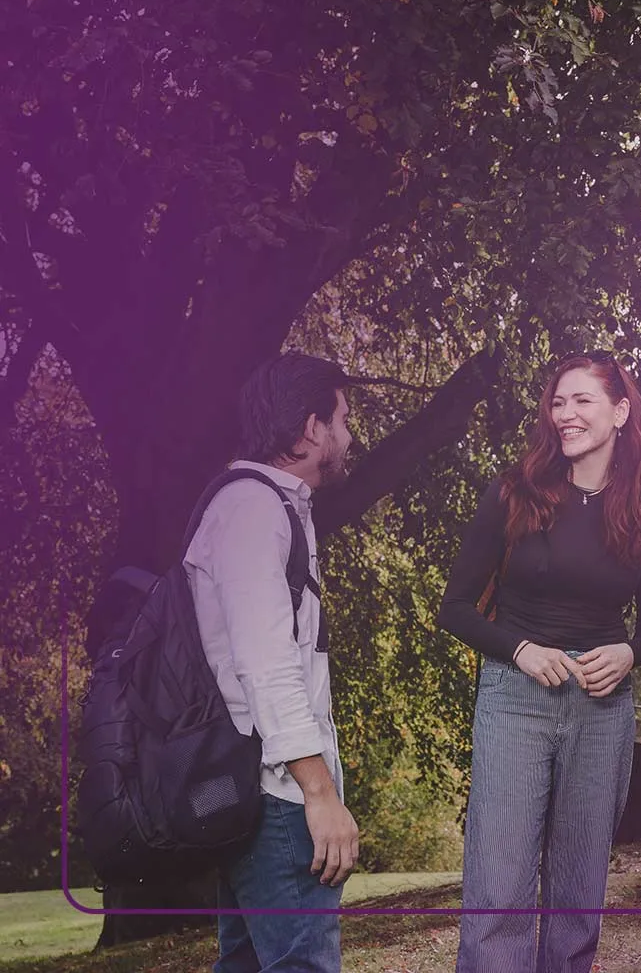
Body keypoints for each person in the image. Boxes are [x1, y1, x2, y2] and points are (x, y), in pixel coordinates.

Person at [437, 351, 641, 973]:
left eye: (582, 401)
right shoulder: (514, 493)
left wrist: (627, 653)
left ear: (621, 412)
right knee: (501, 879)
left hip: (602, 710)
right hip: (516, 696)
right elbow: (456, 608)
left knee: (579, 884)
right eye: (558, 401)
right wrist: (519, 648)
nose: (565, 414)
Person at [185, 351, 359, 973]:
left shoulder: (263, 506)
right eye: (340, 418)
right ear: (311, 428)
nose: (347, 435)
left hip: (260, 791)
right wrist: (320, 794)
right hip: (277, 796)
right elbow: (267, 665)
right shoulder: (255, 510)